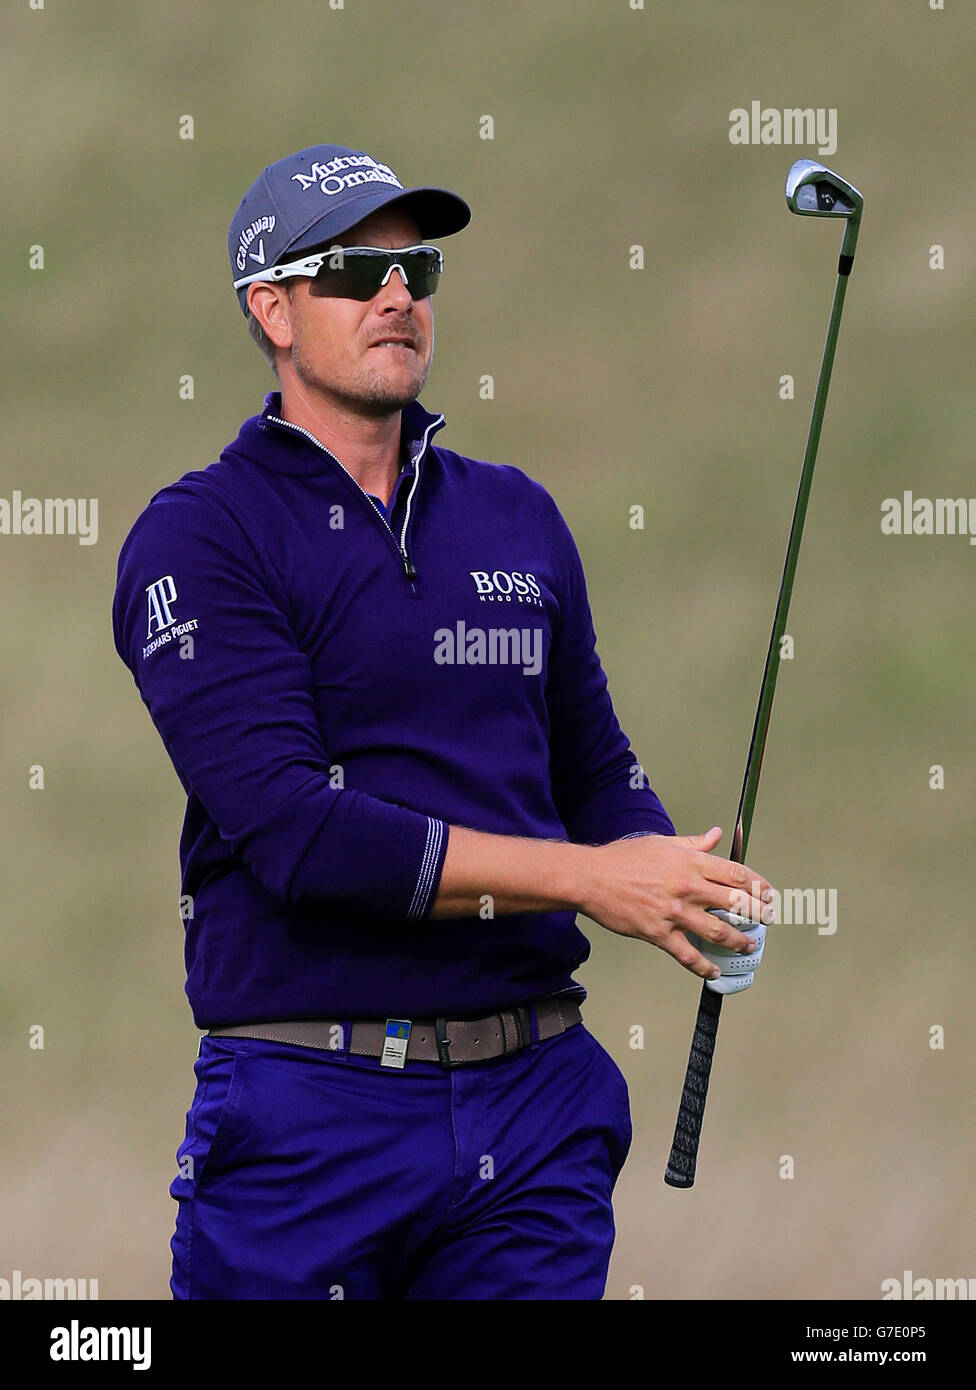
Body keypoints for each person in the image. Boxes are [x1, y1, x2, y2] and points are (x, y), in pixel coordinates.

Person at [112, 143, 774, 1300]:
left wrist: (673, 878)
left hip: (531, 1113)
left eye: (416, 267)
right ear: (270, 306)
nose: (398, 295)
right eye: (353, 274)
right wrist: (586, 881)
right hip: (311, 1114)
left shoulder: (517, 518)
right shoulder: (201, 538)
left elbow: (591, 767)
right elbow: (299, 832)